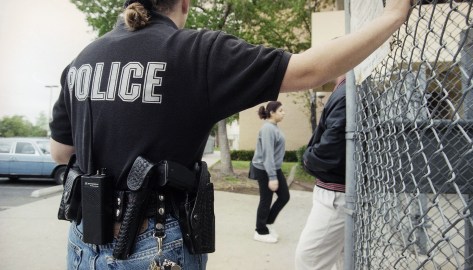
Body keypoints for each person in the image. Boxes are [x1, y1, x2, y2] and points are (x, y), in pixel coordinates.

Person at [49, 0, 411, 269]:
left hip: (84, 239)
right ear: (185, 5)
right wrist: (392, 15)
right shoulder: (195, 51)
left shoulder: (82, 60)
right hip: (156, 242)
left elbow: (60, 153)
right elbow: (308, 70)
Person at [295, 74, 347, 270]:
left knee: (309, 261)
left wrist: (308, 157)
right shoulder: (348, 91)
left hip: (336, 194)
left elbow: (330, 151)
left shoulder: (346, 94)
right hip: (340, 191)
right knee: (343, 259)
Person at [248, 101, 289, 243]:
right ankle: (260, 231)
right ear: (272, 112)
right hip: (265, 169)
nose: (284, 113)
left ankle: (267, 223)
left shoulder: (274, 127)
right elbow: (267, 154)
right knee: (266, 200)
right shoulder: (268, 129)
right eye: (281, 110)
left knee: (284, 196)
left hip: (273, 168)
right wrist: (272, 177)